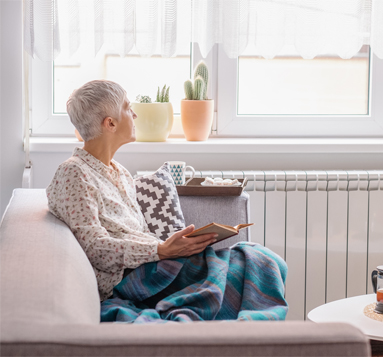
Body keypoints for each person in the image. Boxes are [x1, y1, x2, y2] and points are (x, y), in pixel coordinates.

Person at [46, 81, 284, 314]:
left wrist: (175, 246)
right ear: (110, 123)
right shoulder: (74, 173)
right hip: (135, 278)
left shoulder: (120, 172)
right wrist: (161, 250)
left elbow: (138, 234)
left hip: (156, 262)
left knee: (257, 256)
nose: (135, 115)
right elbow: (95, 248)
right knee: (258, 265)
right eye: (128, 108)